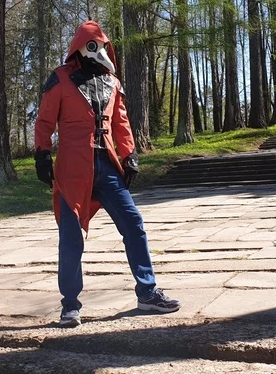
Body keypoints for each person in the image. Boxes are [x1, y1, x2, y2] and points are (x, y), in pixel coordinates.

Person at [34, 20, 180, 327]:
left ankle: (147, 292)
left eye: (102, 44)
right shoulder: (60, 79)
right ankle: (70, 305)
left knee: (133, 223)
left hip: (107, 165)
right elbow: (45, 121)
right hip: (73, 168)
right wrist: (42, 153)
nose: (99, 49)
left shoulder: (112, 82)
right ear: (81, 46)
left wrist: (129, 155)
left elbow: (121, 123)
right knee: (71, 236)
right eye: (93, 44)